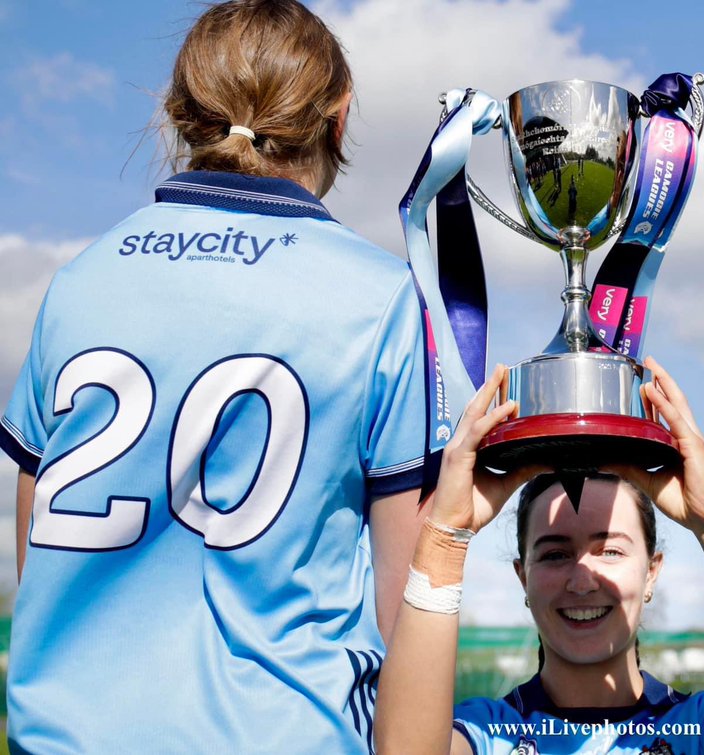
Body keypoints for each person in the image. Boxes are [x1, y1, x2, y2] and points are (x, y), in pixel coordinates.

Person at [0, 1, 435, 751]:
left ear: (176, 116)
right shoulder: (380, 296)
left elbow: (34, 556)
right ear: (339, 116)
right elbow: (410, 607)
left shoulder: (80, 280)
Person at [376, 359, 704, 754]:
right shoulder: (490, 734)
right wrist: (446, 537)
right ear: (523, 576)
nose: (582, 580)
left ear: (652, 572)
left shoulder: (703, 728)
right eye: (555, 554)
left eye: (610, 550)